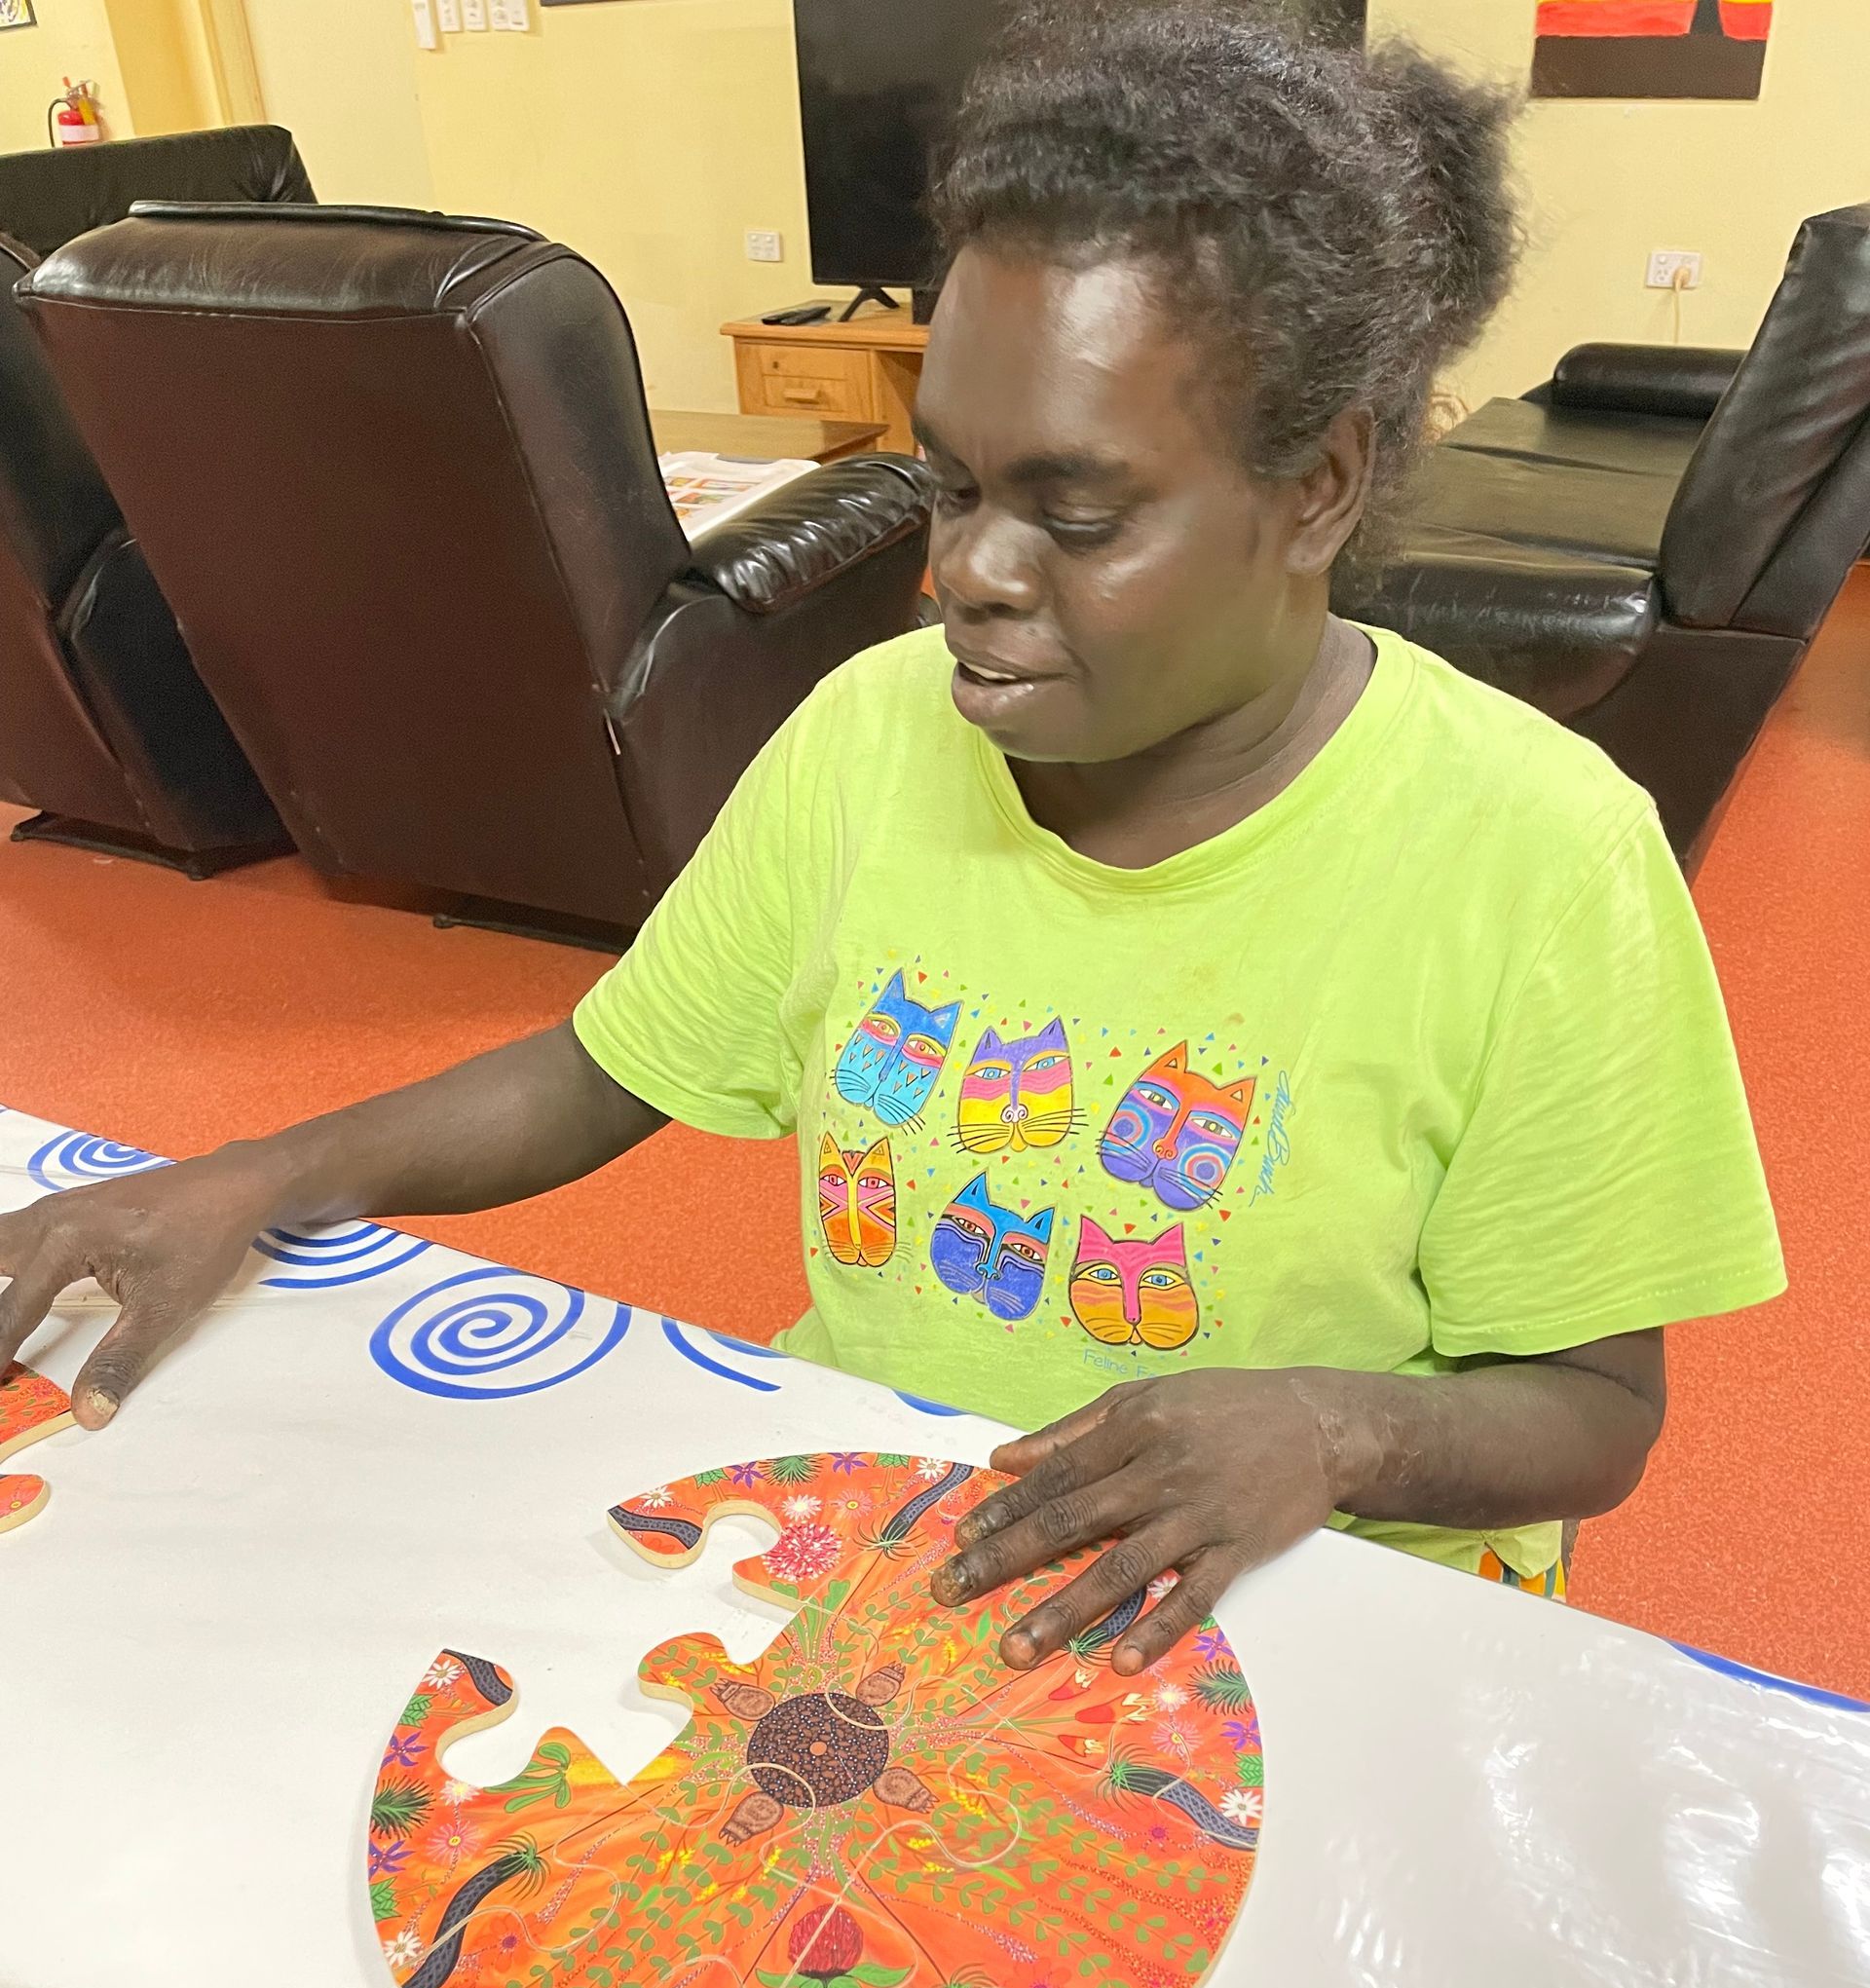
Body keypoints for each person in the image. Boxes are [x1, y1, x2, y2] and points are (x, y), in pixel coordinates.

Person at [0, 0, 1781, 1669]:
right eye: (950, 479)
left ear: (1316, 485)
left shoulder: (1542, 859)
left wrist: (1328, 1422)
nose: (965, 573)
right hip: (897, 1549)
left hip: (1311, 1626)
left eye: (1075, 514)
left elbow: (1597, 1410)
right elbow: (601, 1071)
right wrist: (253, 1177)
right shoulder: (870, 734)